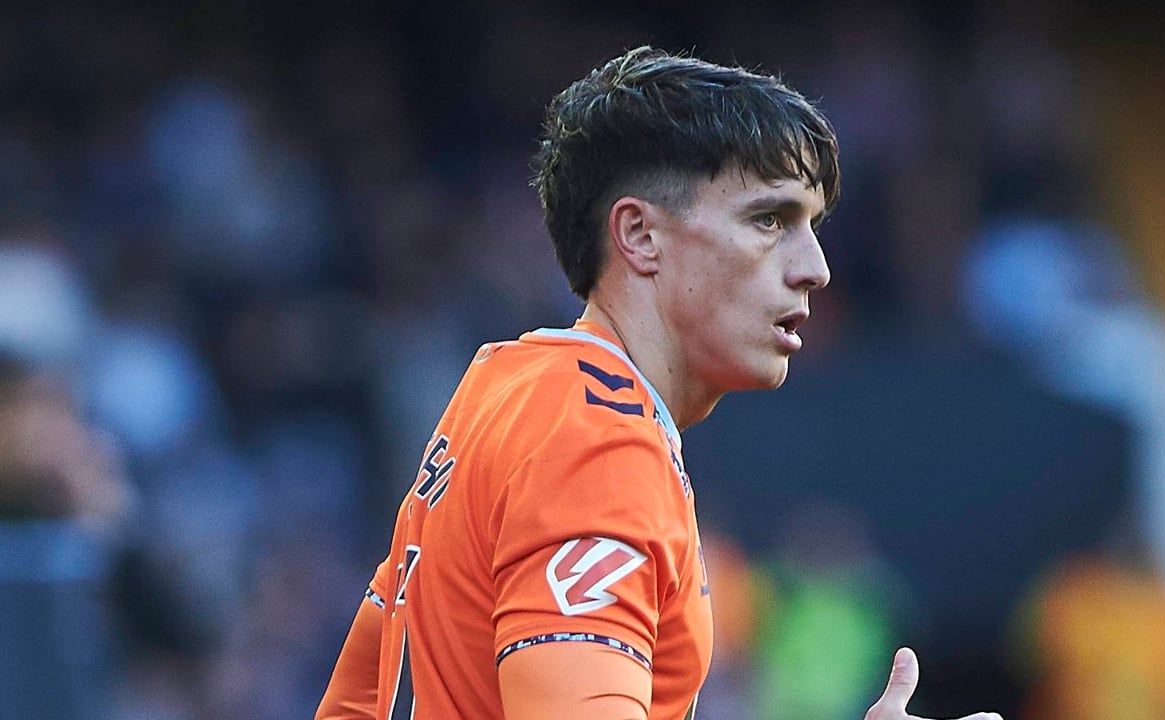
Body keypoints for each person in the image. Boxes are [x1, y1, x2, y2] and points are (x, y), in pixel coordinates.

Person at [316, 46, 1001, 720]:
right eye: (769, 219)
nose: (815, 268)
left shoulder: (501, 392)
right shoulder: (598, 443)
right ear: (640, 235)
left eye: (811, 226)